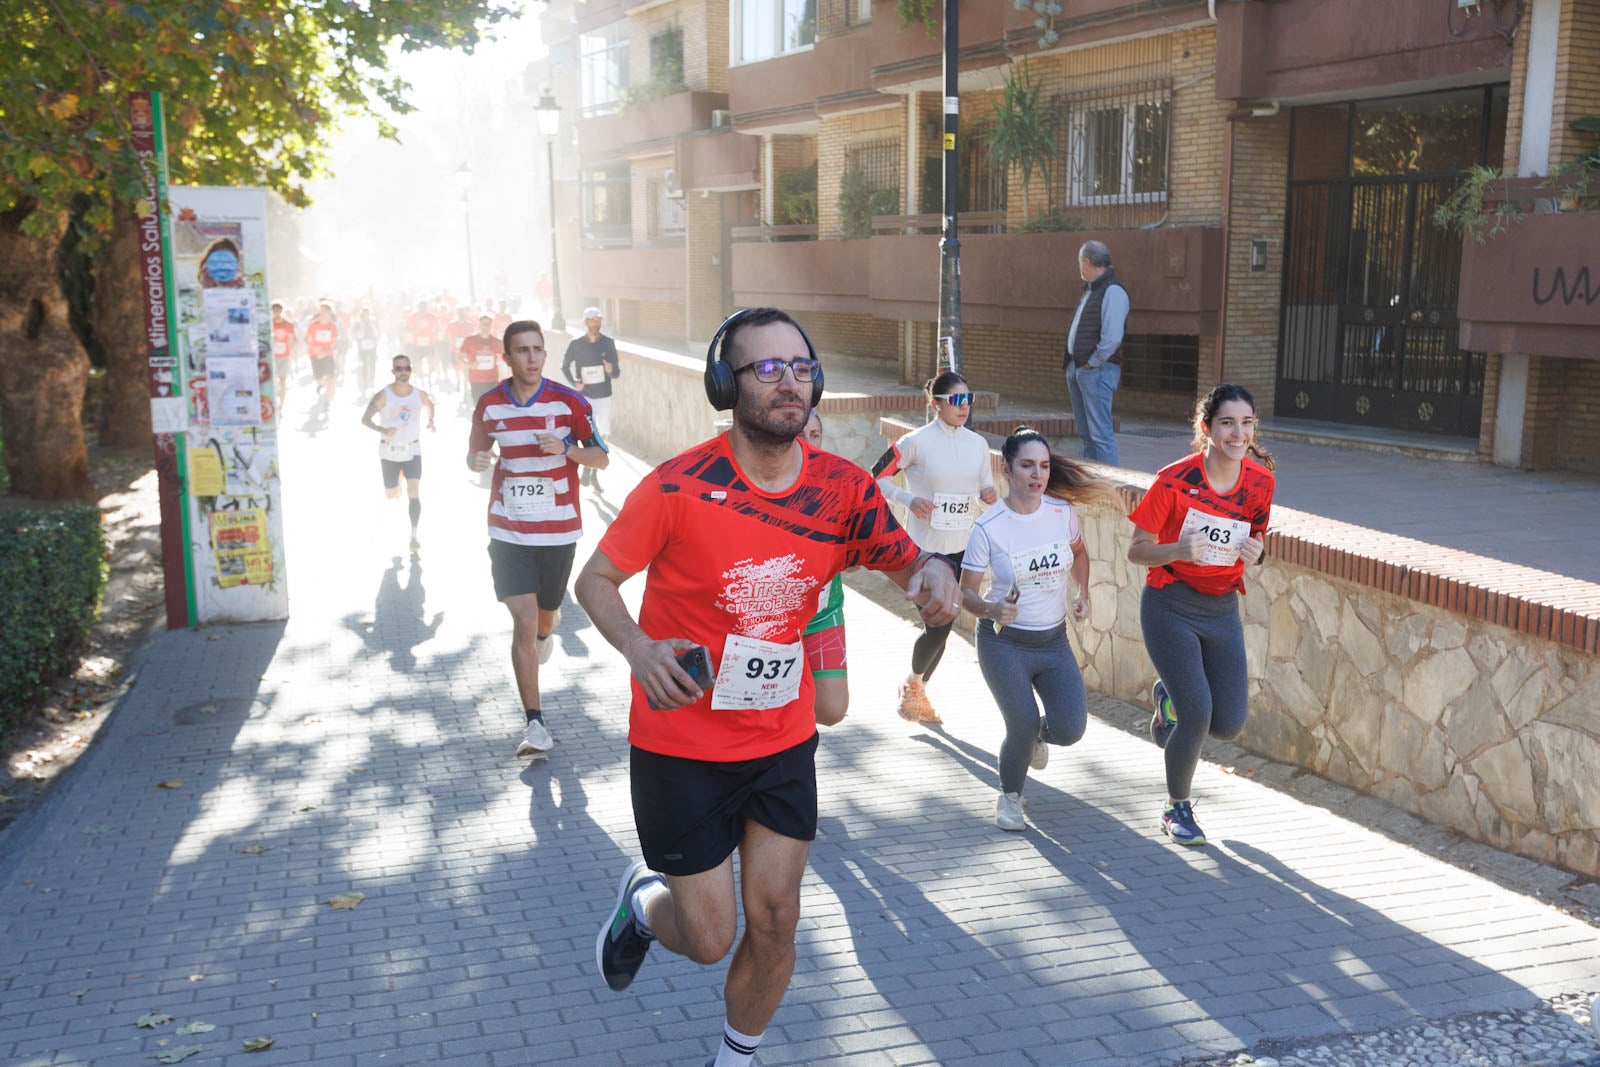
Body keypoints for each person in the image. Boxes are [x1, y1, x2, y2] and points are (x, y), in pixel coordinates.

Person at [574, 307, 962, 1067]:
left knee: (777, 918)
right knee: (710, 937)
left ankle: (736, 1057)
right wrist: (639, 645)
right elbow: (597, 580)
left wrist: (933, 573)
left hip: (780, 738)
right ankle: (645, 907)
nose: (791, 381)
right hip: (680, 743)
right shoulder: (680, 486)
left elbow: (904, 559)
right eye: (768, 368)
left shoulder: (844, 488)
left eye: (802, 366)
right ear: (727, 384)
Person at [1127, 383, 1275, 847]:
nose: (1238, 432)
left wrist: (1258, 553)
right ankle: (1177, 807)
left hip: (1221, 607)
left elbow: (1256, 539)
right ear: (1207, 427)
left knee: (1227, 723)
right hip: (1170, 602)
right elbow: (1136, 550)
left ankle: (1167, 699)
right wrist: (1177, 548)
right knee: (1198, 714)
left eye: (1246, 422)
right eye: (1227, 422)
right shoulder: (1173, 479)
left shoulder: (1260, 483)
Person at [467, 320, 609, 759]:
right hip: (508, 528)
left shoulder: (570, 403)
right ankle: (535, 723)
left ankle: (547, 636)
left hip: (558, 530)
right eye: (522, 351)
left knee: (545, 619)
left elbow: (601, 458)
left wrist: (565, 449)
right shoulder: (489, 405)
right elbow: (474, 456)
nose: (531, 357)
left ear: (545, 354)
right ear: (507, 358)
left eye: (538, 350)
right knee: (524, 620)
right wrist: (478, 460)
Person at [960, 428, 1113, 831]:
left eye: (1043, 466)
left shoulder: (1062, 513)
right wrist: (992, 608)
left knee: (1071, 728)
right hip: (1004, 644)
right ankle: (1010, 797)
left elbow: (1079, 552)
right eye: (1027, 465)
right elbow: (966, 595)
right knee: (1022, 723)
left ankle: (1037, 739)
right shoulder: (989, 527)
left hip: (1052, 640)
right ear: (1006, 470)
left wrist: (1082, 591)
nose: (1037, 474)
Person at [871, 371, 997, 725]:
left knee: (944, 622)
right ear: (935, 404)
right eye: (957, 400)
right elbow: (874, 479)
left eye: (969, 399)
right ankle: (914, 686)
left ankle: (916, 687)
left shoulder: (976, 445)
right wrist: (908, 499)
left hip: (962, 550)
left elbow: (985, 491)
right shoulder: (915, 442)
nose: (965, 406)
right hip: (925, 552)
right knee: (940, 625)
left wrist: (989, 498)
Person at [800, 410, 848, 727]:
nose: (807, 443)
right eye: (799, 433)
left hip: (823, 612)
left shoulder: (839, 486)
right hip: (769, 618)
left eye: (814, 434)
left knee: (831, 709)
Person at [1062, 239, 1128, 466]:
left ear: (1087, 262)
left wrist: (1092, 362)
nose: (1079, 268)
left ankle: (1112, 486)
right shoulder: (1093, 290)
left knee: (1100, 433)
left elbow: (1112, 338)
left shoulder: (1113, 291)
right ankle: (1091, 483)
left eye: (1080, 263)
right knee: (1086, 432)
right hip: (1080, 368)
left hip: (1096, 370)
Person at [361, 354, 436, 552]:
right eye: (399, 368)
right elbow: (365, 419)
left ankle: (414, 534)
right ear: (393, 372)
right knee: (392, 494)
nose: (403, 372)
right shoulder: (384, 395)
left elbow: (430, 405)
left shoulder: (419, 394)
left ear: (410, 370)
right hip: (389, 450)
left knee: (414, 490)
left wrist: (431, 421)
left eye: (406, 368)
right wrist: (382, 430)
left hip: (412, 448)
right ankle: (397, 484)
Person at [560, 306, 621, 491]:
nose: (596, 324)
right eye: (592, 320)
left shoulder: (608, 343)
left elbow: (616, 372)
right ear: (585, 322)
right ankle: (589, 469)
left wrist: (611, 370)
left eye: (598, 320)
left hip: (604, 396)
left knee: (602, 435)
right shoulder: (576, 343)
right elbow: (564, 366)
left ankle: (590, 472)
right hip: (584, 397)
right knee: (586, 433)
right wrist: (574, 383)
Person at [458, 314, 505, 407]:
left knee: (491, 407)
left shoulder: (497, 342)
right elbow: (459, 357)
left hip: (492, 379)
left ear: (491, 326)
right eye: (483, 324)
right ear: (479, 325)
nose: (485, 326)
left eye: (488, 324)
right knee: (479, 407)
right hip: (476, 380)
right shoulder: (470, 340)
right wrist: (469, 365)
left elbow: (507, 357)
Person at [305, 300, 340, 408]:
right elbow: (306, 340)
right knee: (319, 377)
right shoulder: (313, 324)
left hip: (328, 355)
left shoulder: (332, 326)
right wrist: (315, 348)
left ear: (329, 312)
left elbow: (335, 343)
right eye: (321, 311)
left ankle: (327, 401)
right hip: (315, 355)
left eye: (325, 311)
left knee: (330, 378)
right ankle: (320, 384)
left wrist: (326, 352)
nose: (323, 313)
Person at [270, 302, 297, 401]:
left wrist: (289, 338)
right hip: (272, 355)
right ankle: (274, 400)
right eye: (274, 310)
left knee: (283, 379)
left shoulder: (287, 324)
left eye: (278, 310)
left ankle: (281, 403)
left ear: (281, 311)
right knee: (273, 380)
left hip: (284, 355)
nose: (276, 313)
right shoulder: (269, 323)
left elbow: (293, 338)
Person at [351, 305, 381, 392]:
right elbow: (356, 335)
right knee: (364, 363)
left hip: (372, 345)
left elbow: (377, 334)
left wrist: (372, 326)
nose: (366, 316)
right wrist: (362, 328)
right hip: (362, 346)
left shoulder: (373, 322)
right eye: (364, 314)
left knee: (372, 363)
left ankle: (372, 379)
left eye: (367, 314)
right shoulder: (357, 323)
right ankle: (365, 381)